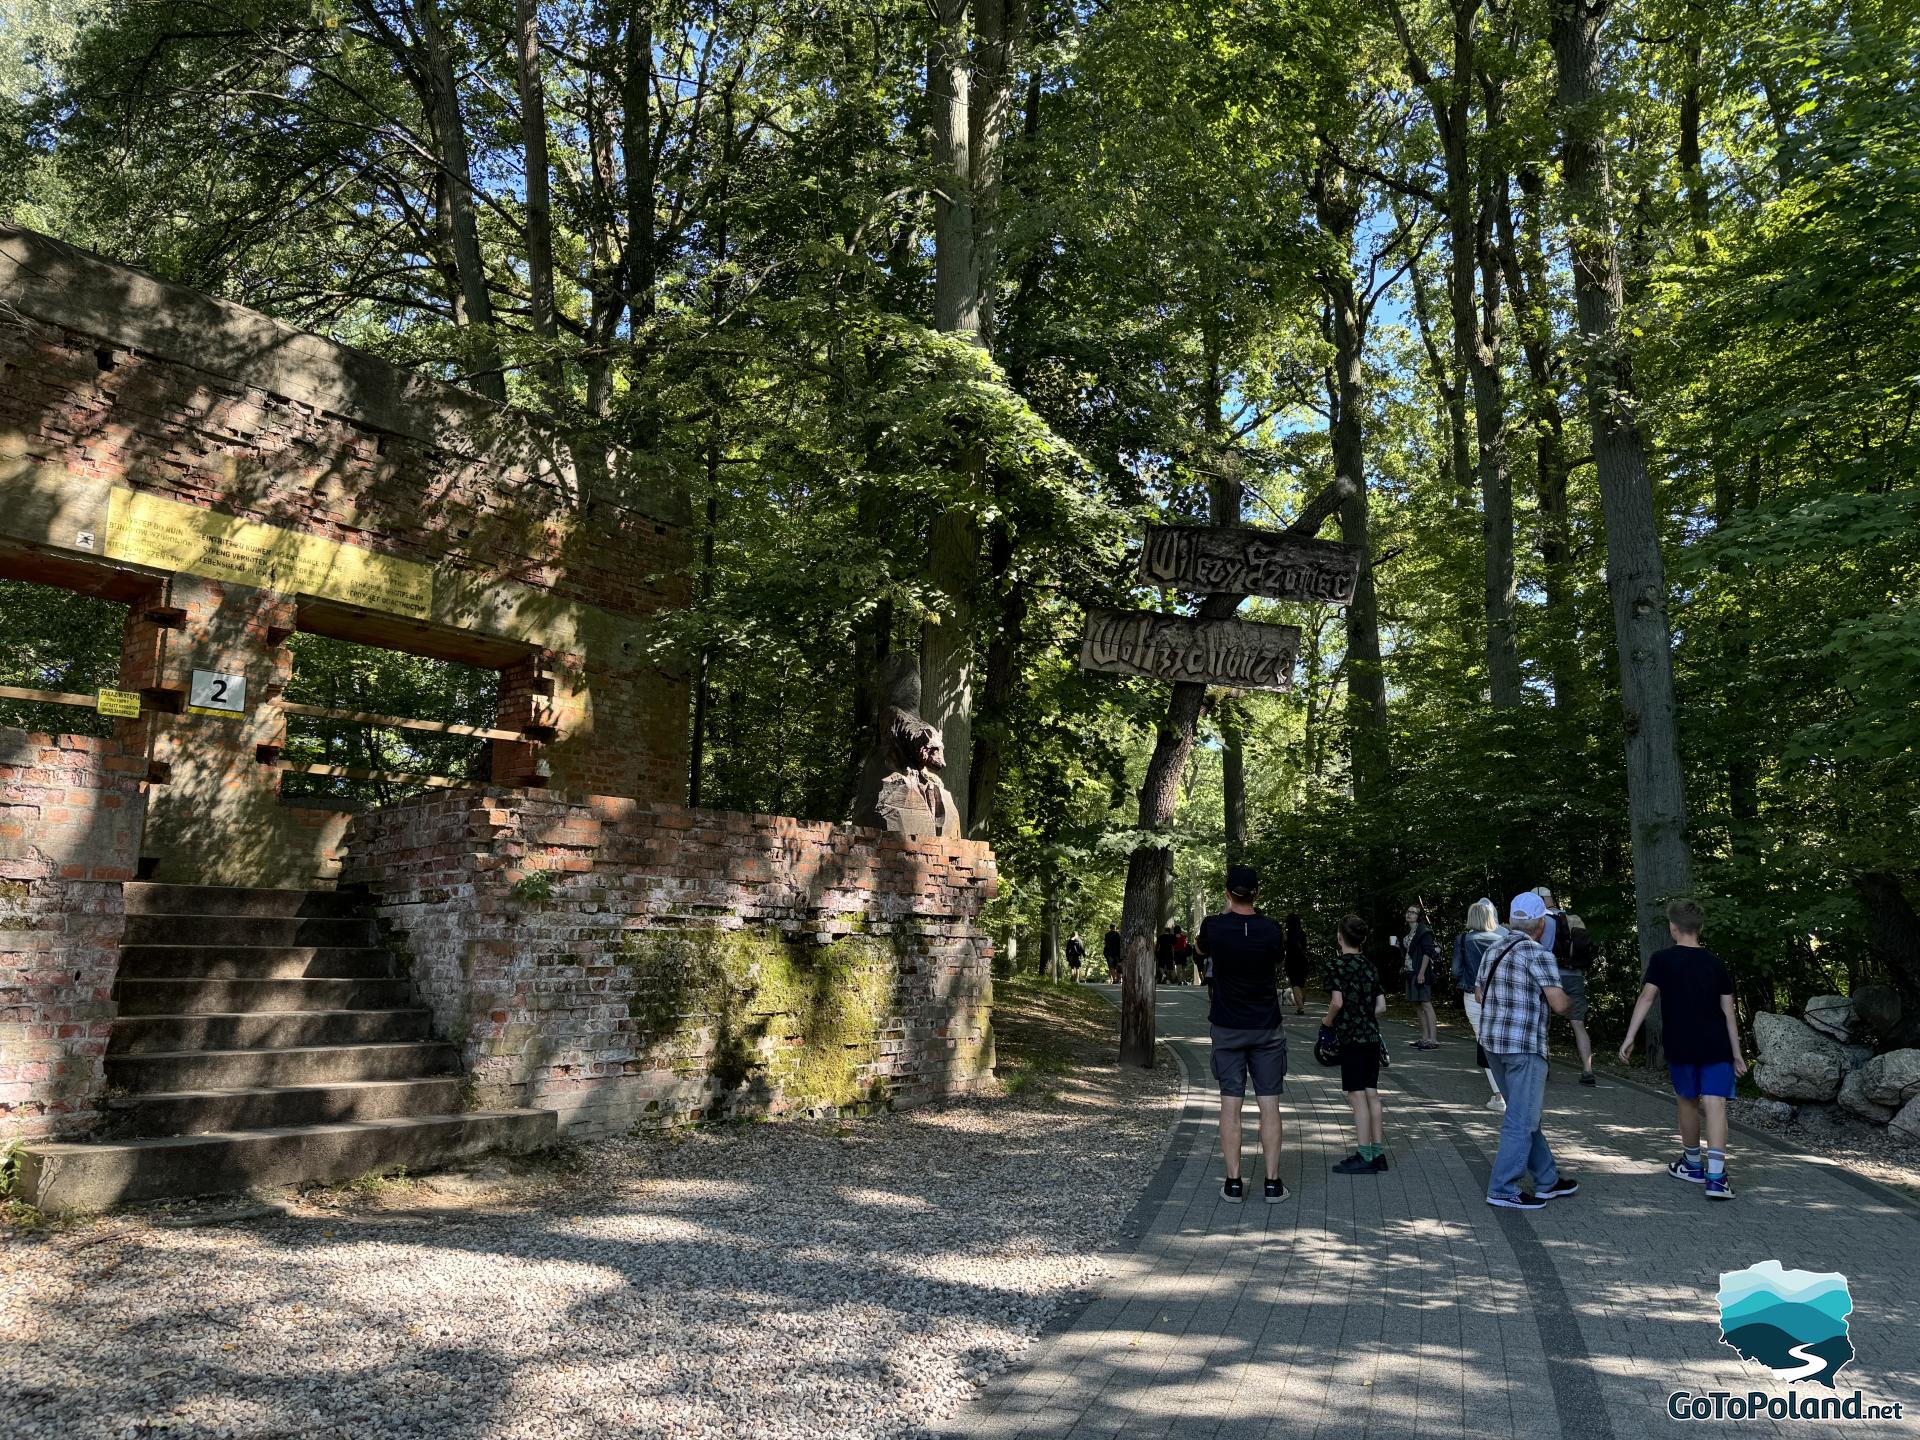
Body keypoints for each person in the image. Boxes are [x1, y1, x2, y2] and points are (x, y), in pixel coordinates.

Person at [1618, 898, 1748, 1201]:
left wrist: (1630, 1036)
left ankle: (1691, 1164)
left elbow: (1646, 998)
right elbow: (1728, 1011)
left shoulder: (1662, 960)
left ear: (1673, 928)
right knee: (1716, 1104)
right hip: (1716, 1044)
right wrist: (1737, 1052)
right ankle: (1716, 1178)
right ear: (1699, 927)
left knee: (1687, 1102)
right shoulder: (1716, 963)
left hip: (1680, 1043)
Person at [1476, 891, 1580, 1210]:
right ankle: (1502, 1188)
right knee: (1521, 1119)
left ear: (1511, 921)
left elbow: (1479, 994)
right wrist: (1572, 1003)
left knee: (1522, 1114)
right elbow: (1559, 1003)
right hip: (1524, 1046)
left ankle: (1547, 1180)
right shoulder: (1538, 954)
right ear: (1540, 925)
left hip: (1493, 1044)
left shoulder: (1492, 950)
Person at [1196, 865, 1290, 1204]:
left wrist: (1226, 914)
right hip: (1266, 1026)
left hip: (1227, 1026)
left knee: (1230, 1104)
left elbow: (1201, 950)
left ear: (1227, 893)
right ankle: (1272, 1183)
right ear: (1257, 893)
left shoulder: (1213, 927)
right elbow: (1278, 958)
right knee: (1269, 1104)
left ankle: (1233, 1182)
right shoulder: (1271, 929)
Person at [1323, 914, 1389, 1174]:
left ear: (1340, 937)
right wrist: (1365, 1015)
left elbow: (1337, 1002)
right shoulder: (1369, 966)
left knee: (1356, 1095)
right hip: (1371, 1036)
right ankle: (1378, 1152)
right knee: (1371, 1092)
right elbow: (1381, 1006)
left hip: (1351, 1037)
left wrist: (1327, 1022)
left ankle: (1363, 1155)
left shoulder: (1337, 965)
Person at [1537, 886, 1596, 1085]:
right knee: (1578, 1023)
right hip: (1575, 975)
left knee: (1542, 1022)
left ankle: (1544, 1067)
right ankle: (1588, 1071)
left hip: (1550, 976)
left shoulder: (1542, 921)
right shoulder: (1573, 918)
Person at [1451, 899, 1506, 1111]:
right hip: (1500, 996)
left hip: (1474, 997)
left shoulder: (1464, 939)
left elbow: (1456, 970)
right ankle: (1511, 1090)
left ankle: (1499, 1096)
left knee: (1484, 1043)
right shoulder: (1503, 939)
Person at [1403, 904, 1440, 1049]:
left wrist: (1421, 973)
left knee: (1426, 1003)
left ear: (1419, 916)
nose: (1409, 914)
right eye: (1408, 911)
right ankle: (1425, 1037)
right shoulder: (1409, 932)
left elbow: (1427, 953)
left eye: (1413, 912)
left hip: (1420, 972)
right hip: (1409, 971)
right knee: (1416, 1004)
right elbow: (1409, 952)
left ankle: (1433, 1039)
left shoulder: (1424, 931)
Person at [1283, 912, 1310, 1015]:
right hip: (1302, 960)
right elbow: (1304, 947)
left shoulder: (1286, 933)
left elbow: (1284, 947)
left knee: (1295, 983)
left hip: (1291, 960)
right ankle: (1301, 1003)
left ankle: (1300, 1007)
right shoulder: (1302, 933)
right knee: (1302, 983)